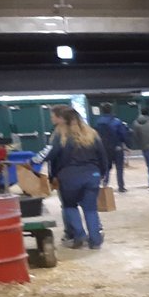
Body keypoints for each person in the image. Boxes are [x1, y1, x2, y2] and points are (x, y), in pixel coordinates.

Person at [46, 104, 108, 249]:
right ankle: (95, 240)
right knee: (91, 208)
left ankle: (79, 236)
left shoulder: (59, 136)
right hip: (92, 175)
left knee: (70, 206)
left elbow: (52, 157)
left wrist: (52, 176)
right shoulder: (91, 133)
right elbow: (102, 156)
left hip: (68, 177)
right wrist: (103, 174)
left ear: (62, 119)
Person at [94, 103, 133, 193]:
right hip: (117, 148)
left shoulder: (98, 122)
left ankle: (105, 184)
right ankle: (121, 186)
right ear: (111, 110)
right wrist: (128, 145)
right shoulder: (117, 121)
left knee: (106, 167)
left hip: (104, 148)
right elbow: (123, 134)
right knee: (119, 168)